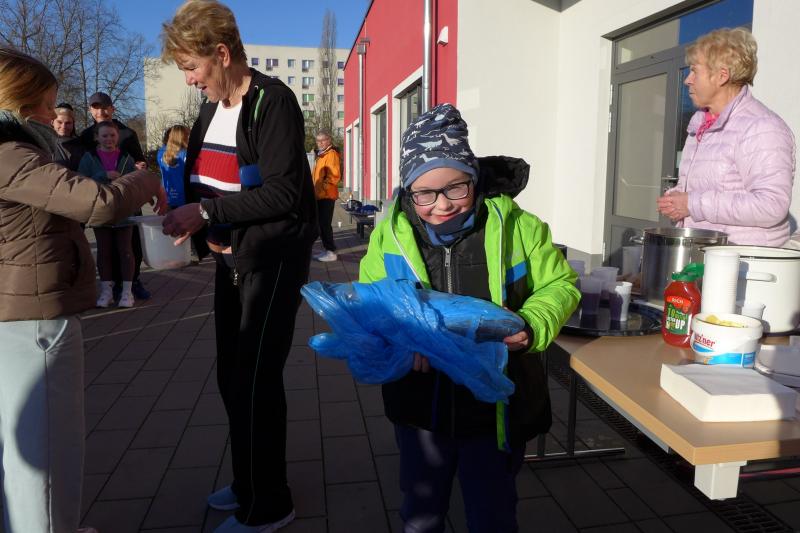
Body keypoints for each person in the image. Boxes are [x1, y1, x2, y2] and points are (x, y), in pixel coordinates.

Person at [359, 103, 579, 533]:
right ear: (408, 191)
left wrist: (531, 323)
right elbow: (371, 302)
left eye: (455, 188)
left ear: (473, 178)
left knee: (492, 513)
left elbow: (560, 285)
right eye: (425, 193)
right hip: (421, 408)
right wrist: (400, 339)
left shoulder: (519, 227)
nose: (442, 205)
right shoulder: (391, 236)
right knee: (421, 512)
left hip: (497, 411)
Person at [160, 1, 318, 531]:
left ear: (222, 54)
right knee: (232, 376)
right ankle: (249, 480)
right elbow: (207, 179)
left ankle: (270, 503)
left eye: (192, 67)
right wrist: (180, 207)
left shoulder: (273, 102)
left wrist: (205, 212)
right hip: (230, 263)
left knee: (256, 380)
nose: (189, 79)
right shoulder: (212, 109)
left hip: (270, 263)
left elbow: (283, 193)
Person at [0, 46, 166, 533]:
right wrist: (145, 178)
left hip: (23, 311)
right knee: (48, 455)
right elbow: (99, 203)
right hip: (34, 323)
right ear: (19, 104)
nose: (54, 116)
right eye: (46, 103)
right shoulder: (11, 155)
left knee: (29, 452)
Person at [657, 27, 795, 246]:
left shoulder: (762, 127)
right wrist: (677, 199)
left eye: (694, 71)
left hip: (743, 261)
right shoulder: (700, 125)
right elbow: (706, 188)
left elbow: (771, 206)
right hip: (706, 255)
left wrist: (692, 204)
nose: (687, 80)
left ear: (722, 76)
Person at [78, 91, 152, 300]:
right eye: (95, 107)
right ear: (90, 110)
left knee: (130, 244)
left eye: (104, 107)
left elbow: (138, 160)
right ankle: (109, 286)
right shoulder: (85, 136)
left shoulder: (127, 133)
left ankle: (132, 281)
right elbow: (82, 169)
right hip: (101, 201)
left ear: (112, 109)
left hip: (126, 199)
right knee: (105, 248)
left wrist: (141, 166)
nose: (100, 111)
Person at [79, 120, 140, 307]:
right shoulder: (89, 158)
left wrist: (128, 179)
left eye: (112, 135)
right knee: (104, 251)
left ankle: (127, 292)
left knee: (126, 251)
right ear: (96, 137)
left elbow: (134, 183)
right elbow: (81, 182)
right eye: (104, 135)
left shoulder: (126, 157)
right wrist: (103, 176)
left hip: (124, 211)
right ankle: (107, 292)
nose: (109, 139)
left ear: (118, 137)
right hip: (101, 211)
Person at [312, 130, 341, 262]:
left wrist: (323, 188)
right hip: (320, 195)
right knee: (322, 223)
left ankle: (331, 251)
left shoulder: (331, 154)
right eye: (318, 140)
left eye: (323, 140)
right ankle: (327, 249)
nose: (320, 143)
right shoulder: (321, 155)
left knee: (324, 224)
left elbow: (334, 175)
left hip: (327, 195)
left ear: (329, 140)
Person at [157, 124, 190, 208]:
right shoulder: (186, 154)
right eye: (187, 135)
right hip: (184, 198)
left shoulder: (161, 153)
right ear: (183, 137)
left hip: (167, 196)